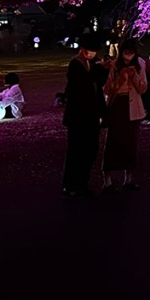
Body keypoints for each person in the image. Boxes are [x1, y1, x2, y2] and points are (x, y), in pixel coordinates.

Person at [61, 32, 106, 198]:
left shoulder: (92, 63)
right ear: (83, 49)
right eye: (90, 51)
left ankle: (82, 182)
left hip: (91, 115)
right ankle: (71, 184)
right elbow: (82, 84)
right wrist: (99, 69)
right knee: (76, 151)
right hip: (78, 116)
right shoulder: (75, 64)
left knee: (90, 150)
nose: (93, 54)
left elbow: (98, 84)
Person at [102, 38, 148, 191]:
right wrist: (121, 77)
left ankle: (128, 178)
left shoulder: (139, 65)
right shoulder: (114, 65)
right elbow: (107, 89)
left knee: (130, 143)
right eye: (125, 53)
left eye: (131, 53)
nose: (128, 56)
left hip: (132, 106)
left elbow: (143, 88)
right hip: (117, 105)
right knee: (113, 142)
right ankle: (107, 179)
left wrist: (134, 75)